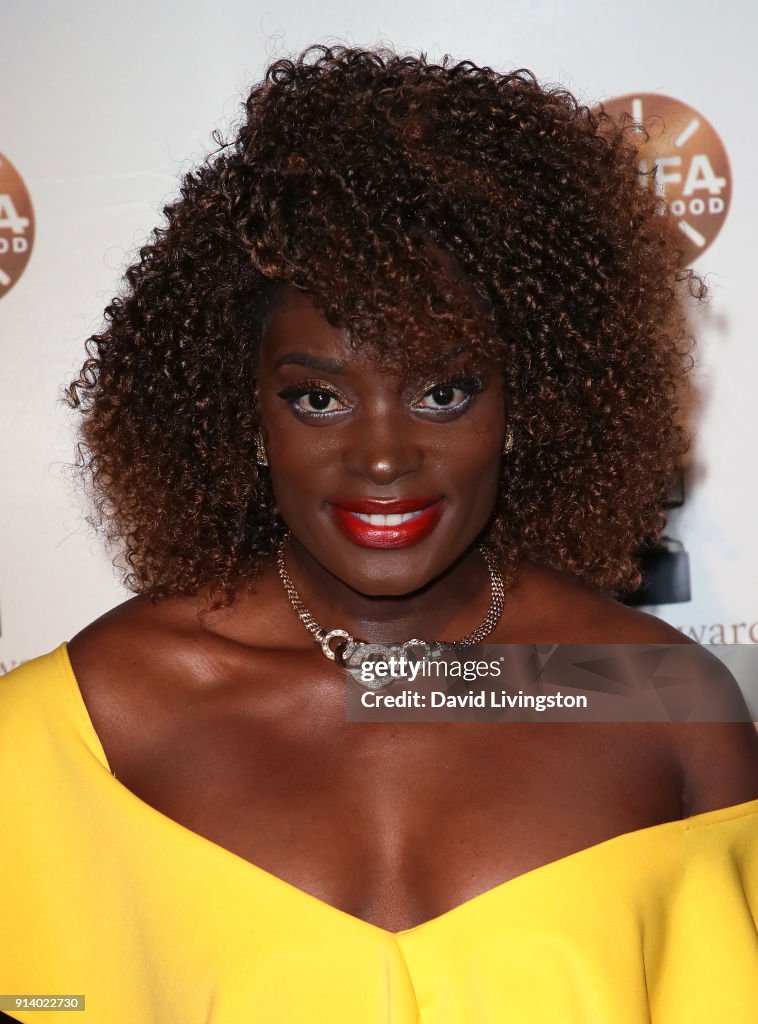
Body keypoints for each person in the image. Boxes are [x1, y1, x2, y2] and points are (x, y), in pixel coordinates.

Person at [1, 44, 756, 1024]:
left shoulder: (664, 706)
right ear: (247, 415)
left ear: (523, 401)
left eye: (443, 390)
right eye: (316, 397)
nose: (383, 457)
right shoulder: (79, 735)